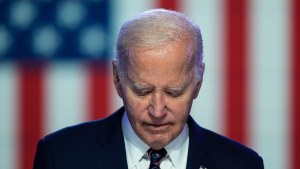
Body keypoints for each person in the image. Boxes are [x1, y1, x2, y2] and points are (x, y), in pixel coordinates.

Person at [33, 9, 264, 169]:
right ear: (117, 78)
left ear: (198, 82)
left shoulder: (242, 164)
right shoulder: (61, 157)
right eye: (142, 91)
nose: (157, 110)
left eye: (174, 92)